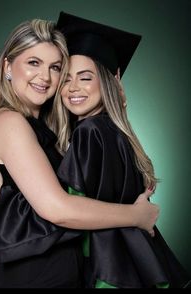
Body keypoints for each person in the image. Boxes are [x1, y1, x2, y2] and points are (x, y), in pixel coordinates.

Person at [0, 18, 159, 288]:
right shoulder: (9, 123)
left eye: (55, 67)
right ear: (8, 67)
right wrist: (138, 216)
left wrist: (117, 103)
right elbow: (57, 209)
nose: (45, 77)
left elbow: (92, 192)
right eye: (33, 63)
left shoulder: (50, 129)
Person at [52, 12, 191, 288]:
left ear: (108, 81)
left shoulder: (89, 133)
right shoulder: (117, 132)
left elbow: (68, 210)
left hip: (107, 264)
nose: (73, 88)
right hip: (139, 258)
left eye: (86, 78)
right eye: (66, 79)